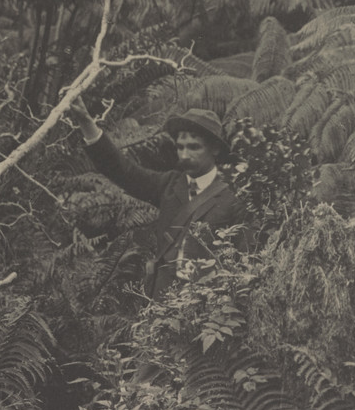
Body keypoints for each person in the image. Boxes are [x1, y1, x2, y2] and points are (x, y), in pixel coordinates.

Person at [72, 102, 243, 290]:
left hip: (209, 304)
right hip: (162, 300)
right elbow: (121, 170)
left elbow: (243, 262)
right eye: (180, 147)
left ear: (215, 149)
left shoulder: (234, 196)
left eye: (194, 147)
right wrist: (85, 121)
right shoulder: (169, 185)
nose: (184, 155)